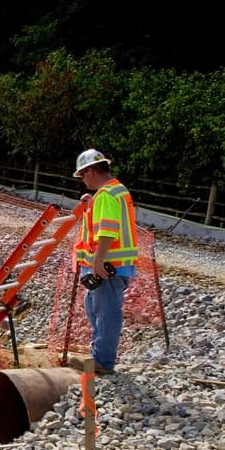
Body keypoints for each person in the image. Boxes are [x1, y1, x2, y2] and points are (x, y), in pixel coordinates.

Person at [73, 149, 138, 377]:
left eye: (82, 175)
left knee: (106, 311)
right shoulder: (111, 192)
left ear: (91, 171)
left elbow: (108, 231)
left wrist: (98, 261)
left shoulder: (108, 195)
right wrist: (92, 202)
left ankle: (103, 360)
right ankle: (99, 355)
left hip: (108, 265)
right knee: (94, 307)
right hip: (110, 265)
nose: (82, 180)